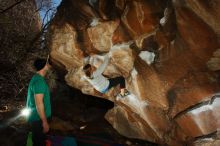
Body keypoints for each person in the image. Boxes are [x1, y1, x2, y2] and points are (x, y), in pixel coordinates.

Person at [25, 57, 52, 146]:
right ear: (44, 66)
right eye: (47, 63)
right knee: (39, 142)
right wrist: (44, 122)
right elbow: (39, 104)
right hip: (38, 119)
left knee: (38, 139)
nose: (48, 65)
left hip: (37, 118)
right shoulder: (39, 82)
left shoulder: (36, 78)